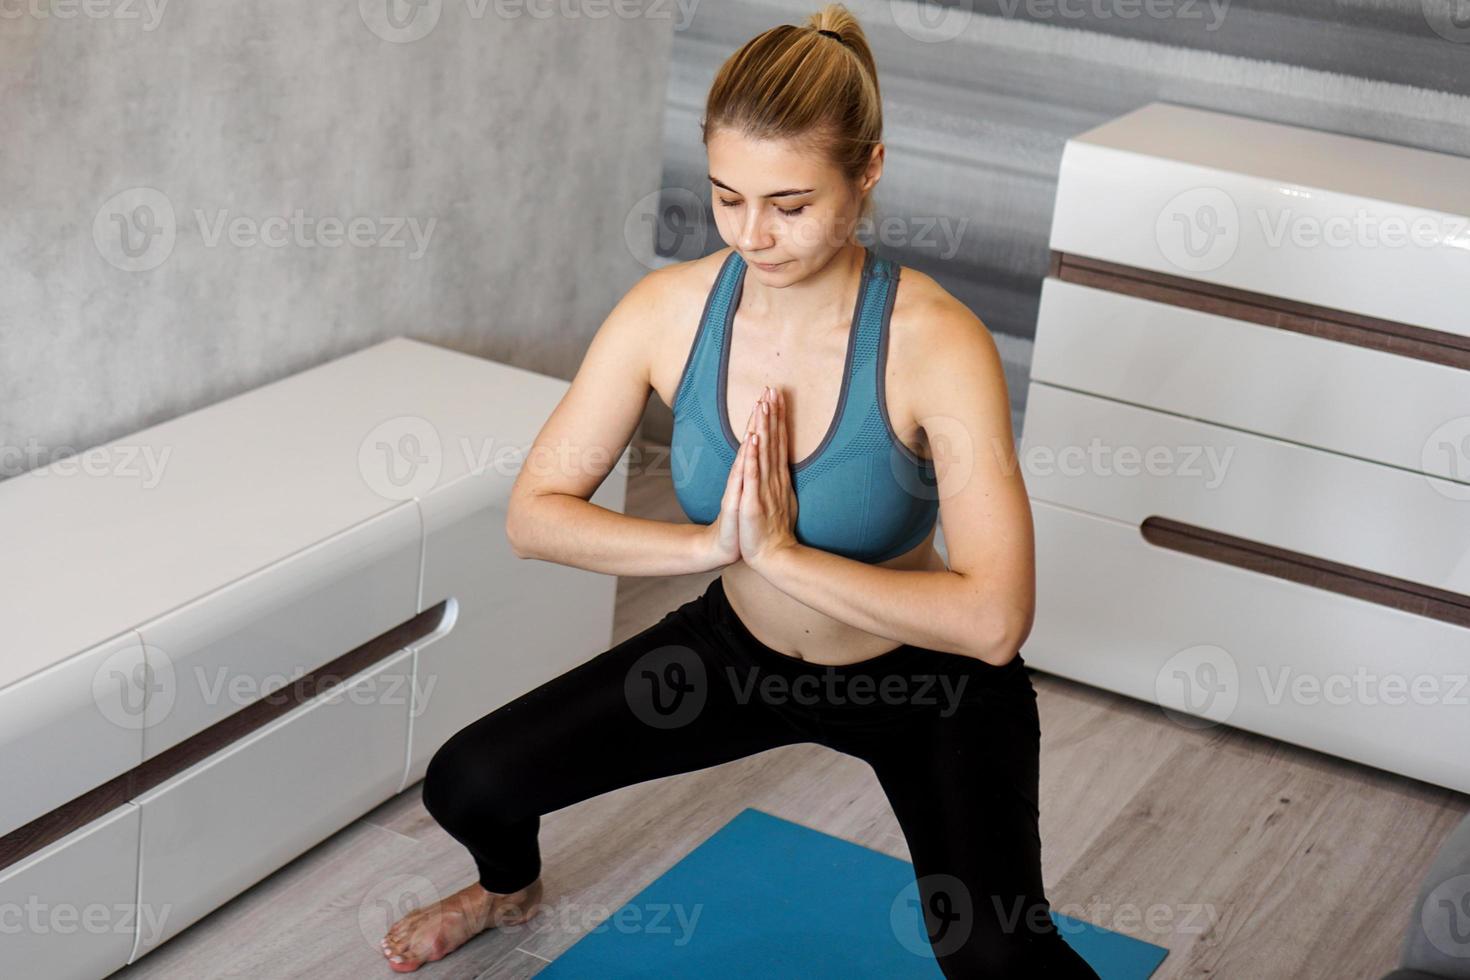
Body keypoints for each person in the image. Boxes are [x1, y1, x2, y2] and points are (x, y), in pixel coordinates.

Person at [380, 4, 1099, 976]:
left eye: (790, 204)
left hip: (926, 679)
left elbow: (993, 618)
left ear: (869, 171)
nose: (753, 234)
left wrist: (787, 555)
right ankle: (507, 887)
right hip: (739, 648)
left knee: (1004, 957)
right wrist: (712, 546)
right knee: (470, 781)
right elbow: (534, 514)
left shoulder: (936, 341)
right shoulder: (668, 313)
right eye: (727, 197)